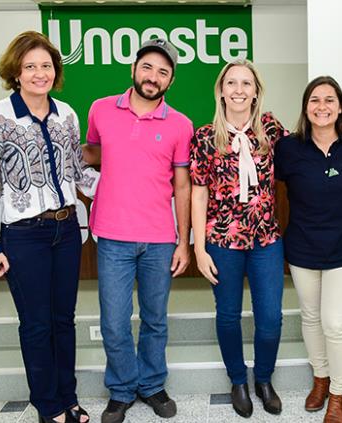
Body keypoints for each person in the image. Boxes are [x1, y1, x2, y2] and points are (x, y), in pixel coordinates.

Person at [0, 31, 98, 423]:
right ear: (16, 72)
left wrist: (133, 183)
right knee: (37, 323)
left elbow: (78, 173)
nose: (39, 73)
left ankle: (68, 398)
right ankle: (47, 405)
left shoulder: (67, 115)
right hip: (23, 236)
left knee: (64, 320)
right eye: (30, 67)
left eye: (46, 65)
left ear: (55, 71)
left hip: (66, 231)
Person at [82, 39, 193, 423]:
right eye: (148, 67)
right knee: (113, 321)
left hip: (160, 239)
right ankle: (122, 388)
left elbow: (182, 186)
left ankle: (151, 384)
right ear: (134, 69)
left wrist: (184, 241)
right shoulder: (100, 109)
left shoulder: (181, 124)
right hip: (112, 235)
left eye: (163, 72)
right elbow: (92, 154)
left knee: (155, 319)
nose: (153, 76)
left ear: (171, 80)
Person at [274, 76, 342, 423]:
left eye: (329, 100)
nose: (322, 106)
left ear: (340, 106)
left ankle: (338, 393)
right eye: (315, 100)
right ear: (305, 107)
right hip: (303, 244)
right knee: (311, 317)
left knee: (334, 322)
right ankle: (320, 377)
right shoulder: (288, 149)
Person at [190, 59, 287, 418]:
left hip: (266, 241)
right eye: (231, 83)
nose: (239, 90)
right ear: (221, 90)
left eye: (246, 83)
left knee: (271, 317)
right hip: (221, 241)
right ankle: (238, 380)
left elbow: (310, 143)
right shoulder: (204, 137)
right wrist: (198, 248)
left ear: (256, 91)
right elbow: (198, 195)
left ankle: (263, 379)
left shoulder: (271, 130)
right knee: (228, 315)